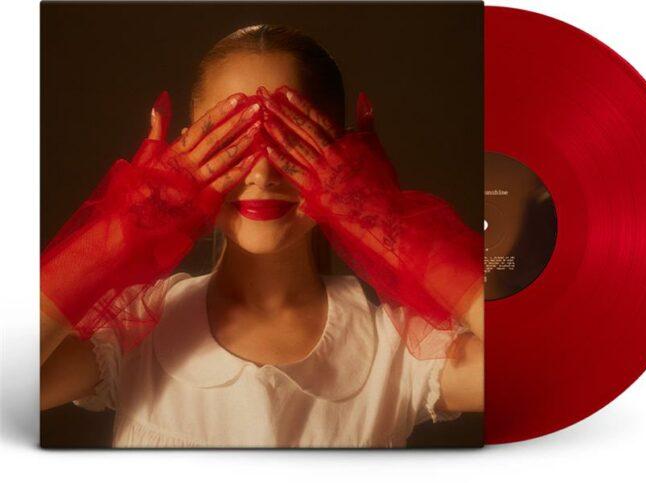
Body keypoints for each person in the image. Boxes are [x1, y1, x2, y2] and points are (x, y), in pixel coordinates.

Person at [40, 24, 484, 448]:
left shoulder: (397, 350)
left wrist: (387, 223)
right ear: (184, 151)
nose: (263, 173)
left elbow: (527, 367)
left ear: (348, 155)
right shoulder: (131, 333)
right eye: (231, 140)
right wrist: (122, 230)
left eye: (292, 139)